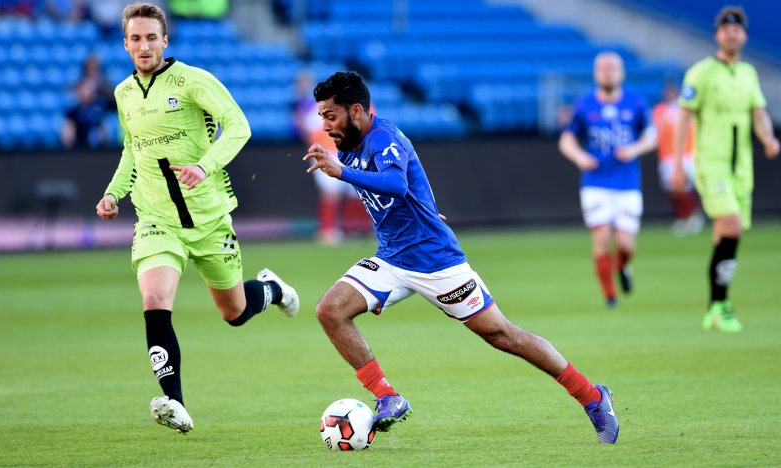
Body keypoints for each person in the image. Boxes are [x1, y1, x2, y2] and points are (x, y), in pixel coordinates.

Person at [304, 71, 619, 443]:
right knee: (330, 310)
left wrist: (342, 173)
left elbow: (396, 184)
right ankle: (387, 396)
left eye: (330, 116)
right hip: (391, 259)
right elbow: (407, 192)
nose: (325, 126)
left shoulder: (383, 138)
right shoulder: (348, 142)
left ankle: (592, 396)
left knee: (503, 335)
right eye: (322, 116)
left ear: (356, 110)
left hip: (436, 262)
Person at [95, 2, 299, 434]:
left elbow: (238, 125)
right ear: (125, 43)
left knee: (234, 313)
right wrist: (114, 193)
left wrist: (204, 166)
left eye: (152, 37)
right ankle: (175, 402)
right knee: (155, 302)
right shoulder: (123, 93)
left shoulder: (192, 80)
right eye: (136, 38)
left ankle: (272, 289)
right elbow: (132, 151)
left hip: (209, 219)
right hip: (156, 220)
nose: (144, 45)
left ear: (165, 40)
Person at [672, 6, 779, 333]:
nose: (732, 33)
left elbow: (758, 111)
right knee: (731, 226)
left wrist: (768, 138)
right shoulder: (701, 73)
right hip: (712, 163)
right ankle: (720, 305)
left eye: (737, 29)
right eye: (726, 28)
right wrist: (678, 163)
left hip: (740, 167)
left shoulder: (747, 73)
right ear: (717, 34)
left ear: (744, 35)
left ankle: (716, 307)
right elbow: (684, 117)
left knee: (727, 233)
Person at [558, 51, 657, 308]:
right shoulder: (584, 104)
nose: (608, 71)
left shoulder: (635, 102)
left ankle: (623, 266)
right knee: (601, 239)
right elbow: (567, 139)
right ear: (595, 73)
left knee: (625, 245)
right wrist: (580, 157)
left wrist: (634, 149)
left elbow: (651, 136)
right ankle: (610, 296)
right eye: (603, 68)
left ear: (622, 73)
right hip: (596, 182)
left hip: (627, 182)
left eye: (612, 67)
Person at [293, 70, 370, 245]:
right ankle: (327, 231)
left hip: (350, 153)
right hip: (328, 153)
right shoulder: (318, 108)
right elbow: (307, 129)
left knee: (355, 191)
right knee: (331, 192)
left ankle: (354, 229)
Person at [652, 82, 704, 236]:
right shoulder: (660, 110)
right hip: (667, 156)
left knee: (682, 186)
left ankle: (692, 216)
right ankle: (684, 216)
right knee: (672, 189)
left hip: (685, 154)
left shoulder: (686, 111)